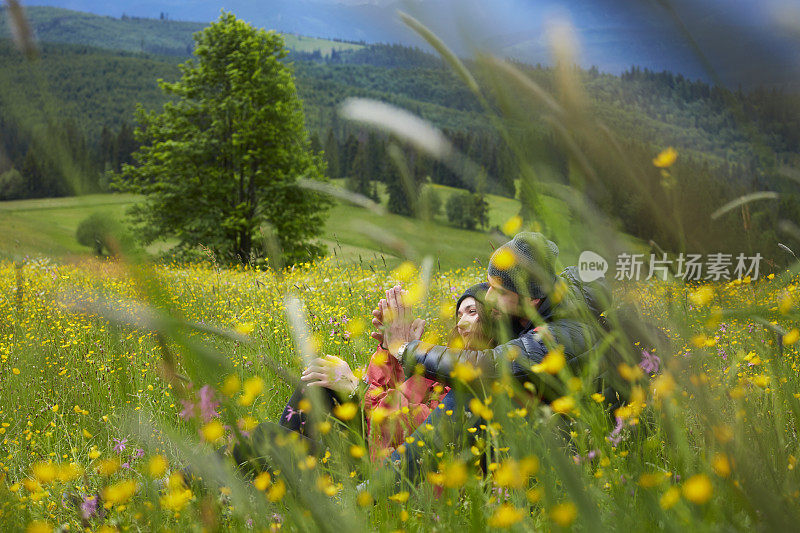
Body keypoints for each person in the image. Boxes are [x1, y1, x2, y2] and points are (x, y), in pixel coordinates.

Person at [231, 282, 493, 471]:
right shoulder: (445, 364)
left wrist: (359, 385)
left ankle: (265, 470)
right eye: (459, 314)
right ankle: (274, 470)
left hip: (388, 477)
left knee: (265, 436)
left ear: (495, 323)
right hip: (379, 451)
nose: (460, 323)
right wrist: (393, 352)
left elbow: (399, 422)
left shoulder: (480, 379)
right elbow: (394, 397)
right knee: (319, 380)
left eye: (472, 312)